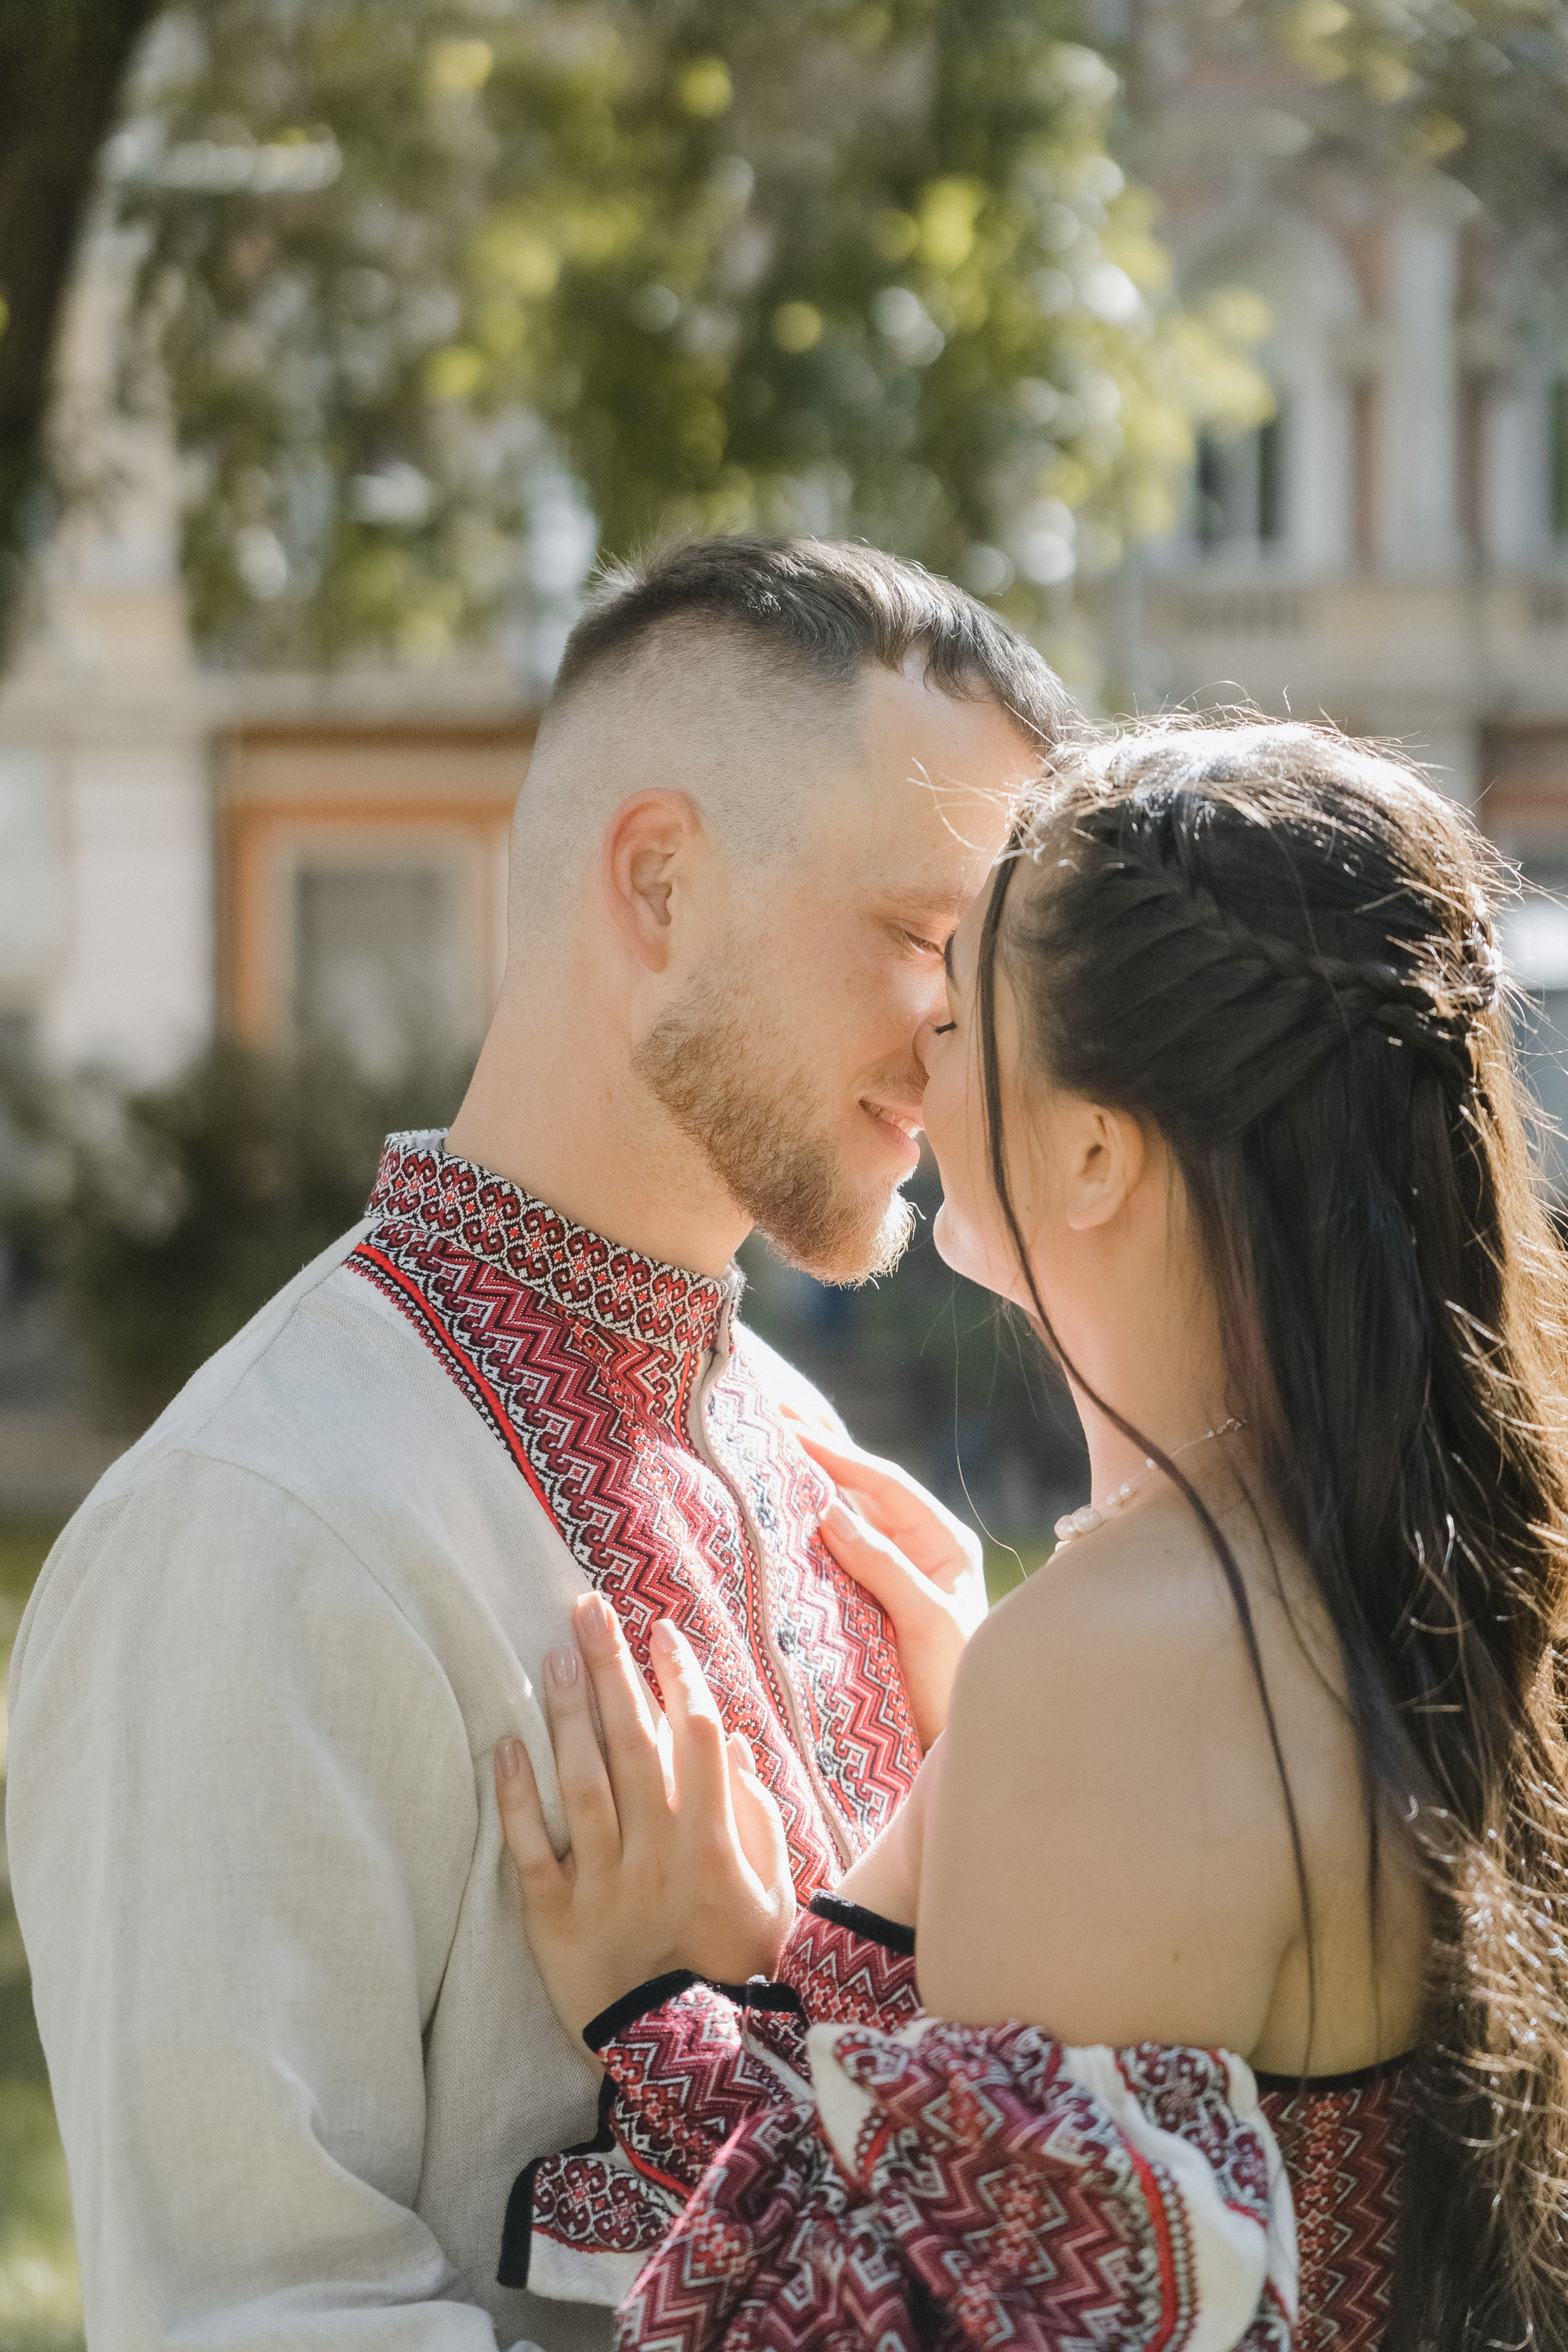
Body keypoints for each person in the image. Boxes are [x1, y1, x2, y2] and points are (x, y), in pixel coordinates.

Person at [7, 536, 1071, 2352]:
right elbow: (258, 2322)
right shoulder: (253, 1528)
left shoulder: (816, 1467)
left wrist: (996, 1801)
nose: (970, 1041)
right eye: (923, 941)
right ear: (658, 884)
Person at [492, 718, 1568, 2351]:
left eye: (963, 1006)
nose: (919, 1052)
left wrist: (671, 2009)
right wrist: (973, 1766)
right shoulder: (1405, 1556)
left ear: (1092, 1151)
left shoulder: (1124, 1666)